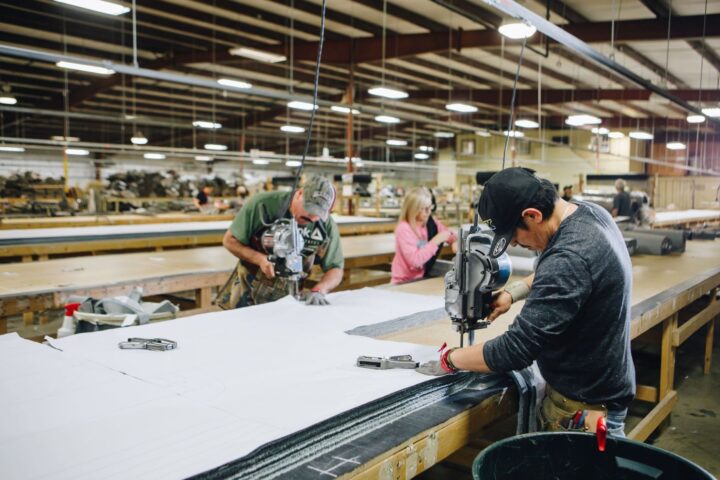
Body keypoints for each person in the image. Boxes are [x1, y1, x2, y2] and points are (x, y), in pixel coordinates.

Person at [419, 168, 635, 436]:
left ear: (533, 215)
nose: (517, 244)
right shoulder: (588, 213)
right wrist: (514, 292)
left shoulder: (568, 258)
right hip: (601, 389)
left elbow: (515, 349)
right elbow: (562, 271)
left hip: (582, 412)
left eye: (515, 237)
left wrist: (449, 359)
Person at [218, 175, 344, 308]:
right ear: (299, 193)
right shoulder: (262, 205)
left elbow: (335, 268)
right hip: (246, 294)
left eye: (319, 214)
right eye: (309, 210)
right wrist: (259, 259)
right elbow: (229, 241)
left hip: (289, 299)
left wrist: (319, 290)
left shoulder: (326, 226)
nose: (313, 218)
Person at [391, 187, 458, 284]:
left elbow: (449, 234)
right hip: (403, 282)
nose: (428, 212)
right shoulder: (404, 229)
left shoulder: (429, 223)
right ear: (413, 209)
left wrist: (455, 241)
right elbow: (415, 260)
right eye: (424, 209)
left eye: (430, 207)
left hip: (419, 280)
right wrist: (436, 241)